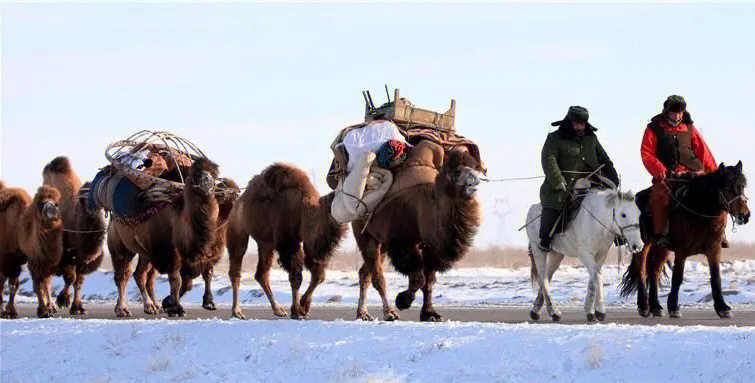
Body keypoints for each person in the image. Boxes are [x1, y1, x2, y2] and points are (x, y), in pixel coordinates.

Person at [640, 95, 718, 248]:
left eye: (680, 112)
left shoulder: (689, 128)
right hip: (669, 177)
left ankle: (717, 234)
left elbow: (704, 152)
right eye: (674, 112)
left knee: (715, 195)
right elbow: (646, 153)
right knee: (658, 198)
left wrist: (713, 174)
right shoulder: (653, 128)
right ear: (666, 112)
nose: (678, 116)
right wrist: (660, 170)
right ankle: (661, 234)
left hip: (694, 174)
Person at [539, 106, 620, 252]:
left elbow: (604, 159)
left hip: (594, 179)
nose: (579, 127)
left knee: (612, 200)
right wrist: (558, 180)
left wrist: (613, 177)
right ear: (569, 122)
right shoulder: (555, 138)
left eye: (582, 124)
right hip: (567, 183)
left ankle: (620, 235)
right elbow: (548, 160)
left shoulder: (591, 138)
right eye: (576, 124)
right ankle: (546, 238)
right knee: (555, 206)